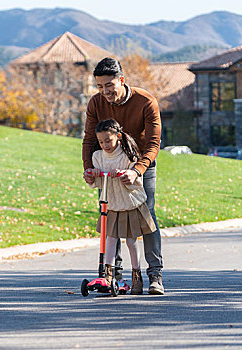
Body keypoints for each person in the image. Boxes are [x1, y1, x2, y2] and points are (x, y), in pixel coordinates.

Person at [82, 57, 164, 295]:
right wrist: (89, 168)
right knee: (110, 214)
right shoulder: (96, 103)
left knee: (146, 215)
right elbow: (89, 139)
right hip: (108, 165)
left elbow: (153, 143)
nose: (105, 91)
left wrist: (137, 170)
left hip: (140, 165)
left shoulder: (145, 101)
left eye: (109, 85)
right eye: (99, 86)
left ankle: (154, 275)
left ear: (121, 80)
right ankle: (112, 277)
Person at [87, 119, 156, 295]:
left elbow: (136, 180)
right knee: (110, 239)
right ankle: (107, 276)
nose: (105, 145)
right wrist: (92, 175)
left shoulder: (127, 156)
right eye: (101, 142)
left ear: (118, 136)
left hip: (128, 203)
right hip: (111, 204)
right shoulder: (98, 157)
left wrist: (127, 175)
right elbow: (97, 182)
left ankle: (136, 277)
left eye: (108, 141)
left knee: (131, 241)